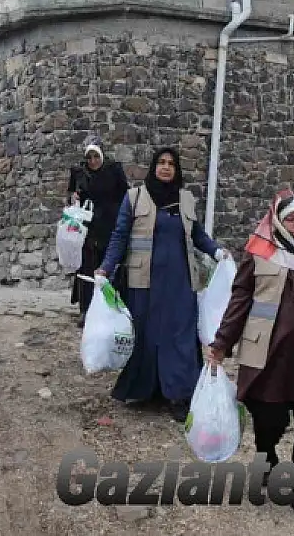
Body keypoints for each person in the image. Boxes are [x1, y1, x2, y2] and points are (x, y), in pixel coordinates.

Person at [206, 190, 294, 529]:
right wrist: (221, 344)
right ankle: (267, 456)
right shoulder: (260, 255)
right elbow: (240, 300)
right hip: (270, 356)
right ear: (278, 222)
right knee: (269, 420)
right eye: (291, 219)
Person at [95, 147, 229, 422]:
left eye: (171, 164)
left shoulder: (186, 200)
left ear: (177, 170)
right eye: (161, 162)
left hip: (180, 283)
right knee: (147, 334)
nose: (166, 167)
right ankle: (146, 389)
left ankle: (178, 394)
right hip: (144, 282)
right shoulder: (134, 198)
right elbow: (120, 236)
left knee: (179, 337)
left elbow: (198, 234)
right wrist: (106, 267)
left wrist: (216, 252)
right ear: (153, 166)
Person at [67, 137, 130, 328]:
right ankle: (86, 310)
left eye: (96, 156)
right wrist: (73, 196)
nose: (93, 161)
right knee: (86, 268)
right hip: (87, 228)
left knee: (107, 268)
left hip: (109, 226)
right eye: (89, 157)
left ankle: (108, 307)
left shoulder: (114, 170)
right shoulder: (79, 173)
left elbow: (125, 196)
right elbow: (70, 195)